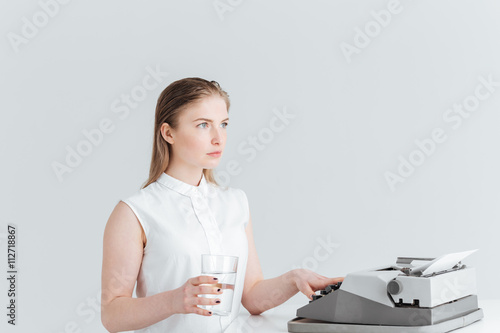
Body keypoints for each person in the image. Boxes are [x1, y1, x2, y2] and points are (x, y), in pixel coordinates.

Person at [100, 78, 343, 333]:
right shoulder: (134, 212)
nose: (219, 138)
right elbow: (112, 315)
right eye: (203, 125)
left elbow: (251, 296)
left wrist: (294, 279)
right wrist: (173, 300)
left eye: (224, 124)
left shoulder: (235, 202)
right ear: (168, 133)